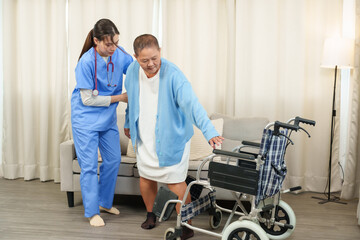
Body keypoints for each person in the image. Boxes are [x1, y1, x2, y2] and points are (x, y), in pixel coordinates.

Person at [124, 34, 223, 240]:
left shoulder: (174, 75)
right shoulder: (133, 71)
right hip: (145, 137)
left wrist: (209, 130)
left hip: (171, 138)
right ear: (135, 57)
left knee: (175, 181)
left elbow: (192, 105)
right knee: (146, 177)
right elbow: (132, 101)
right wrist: (128, 123)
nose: (151, 64)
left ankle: (186, 223)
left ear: (160, 52)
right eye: (145, 60)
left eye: (155, 58)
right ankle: (151, 214)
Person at [71, 18, 133, 227]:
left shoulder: (120, 54)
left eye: (116, 42)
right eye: (108, 44)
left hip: (106, 120)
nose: (113, 47)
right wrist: (120, 98)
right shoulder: (86, 62)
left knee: (113, 160)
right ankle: (92, 211)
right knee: (88, 167)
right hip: (85, 120)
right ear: (96, 41)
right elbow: (87, 99)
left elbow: (134, 73)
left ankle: (104, 202)